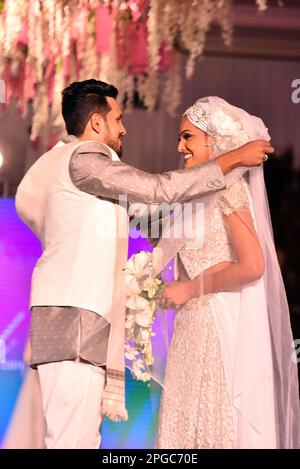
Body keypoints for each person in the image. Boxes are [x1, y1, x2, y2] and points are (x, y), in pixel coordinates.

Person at [14, 80, 272, 449]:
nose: (123, 127)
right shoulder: (86, 159)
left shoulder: (98, 180)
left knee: (81, 438)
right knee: (71, 439)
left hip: (89, 328)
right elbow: (157, 190)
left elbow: (156, 221)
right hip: (70, 323)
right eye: (117, 118)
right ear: (97, 124)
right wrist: (231, 159)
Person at [155, 97, 300, 449]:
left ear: (213, 140)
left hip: (218, 326)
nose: (180, 146)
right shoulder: (194, 195)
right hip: (192, 327)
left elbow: (253, 265)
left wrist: (191, 288)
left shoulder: (229, 189)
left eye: (187, 137)